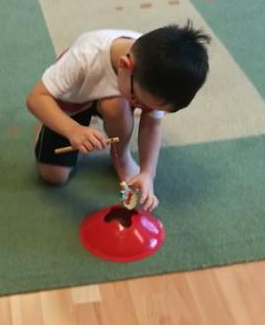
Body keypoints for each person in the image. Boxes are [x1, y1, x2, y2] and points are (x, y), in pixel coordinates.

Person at [26, 24, 210, 210]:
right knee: (54, 176)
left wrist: (147, 172)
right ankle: (49, 125)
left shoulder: (160, 76)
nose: (143, 109)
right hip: (74, 97)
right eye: (139, 102)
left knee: (115, 105)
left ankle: (120, 155)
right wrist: (72, 130)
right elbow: (35, 98)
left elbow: (151, 125)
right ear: (125, 65)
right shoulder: (84, 57)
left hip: (114, 99)